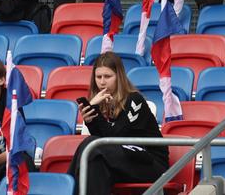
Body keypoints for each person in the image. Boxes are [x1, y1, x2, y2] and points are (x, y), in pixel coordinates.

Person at [68, 52, 168, 194]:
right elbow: (104, 142)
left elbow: (114, 138)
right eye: (98, 77)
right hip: (124, 159)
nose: (102, 82)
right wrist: (91, 120)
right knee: (95, 161)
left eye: (108, 76)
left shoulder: (135, 100)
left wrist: (94, 111)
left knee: (92, 145)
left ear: (118, 77)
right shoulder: (105, 103)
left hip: (151, 163)